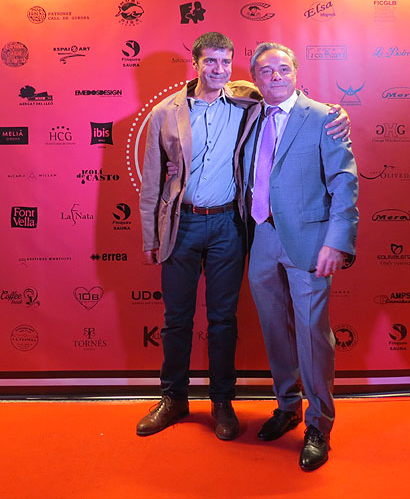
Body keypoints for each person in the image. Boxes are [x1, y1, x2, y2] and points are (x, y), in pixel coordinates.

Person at [137, 32, 349, 441]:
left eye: (224, 62)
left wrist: (338, 113)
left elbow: (291, 101)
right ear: (195, 63)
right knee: (176, 319)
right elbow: (152, 180)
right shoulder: (167, 112)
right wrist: (150, 236)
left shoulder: (246, 102)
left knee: (223, 320)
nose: (217, 69)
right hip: (182, 225)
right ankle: (173, 398)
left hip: (228, 227)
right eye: (209, 61)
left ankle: (222, 402)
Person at [239, 42, 359, 470]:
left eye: (283, 69)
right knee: (274, 329)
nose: (276, 76)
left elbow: (344, 182)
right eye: (266, 71)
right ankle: (287, 406)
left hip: (310, 241)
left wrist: (336, 242)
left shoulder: (324, 117)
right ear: (255, 78)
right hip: (261, 237)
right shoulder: (248, 114)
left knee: (312, 333)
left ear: (296, 72)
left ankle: (319, 424)